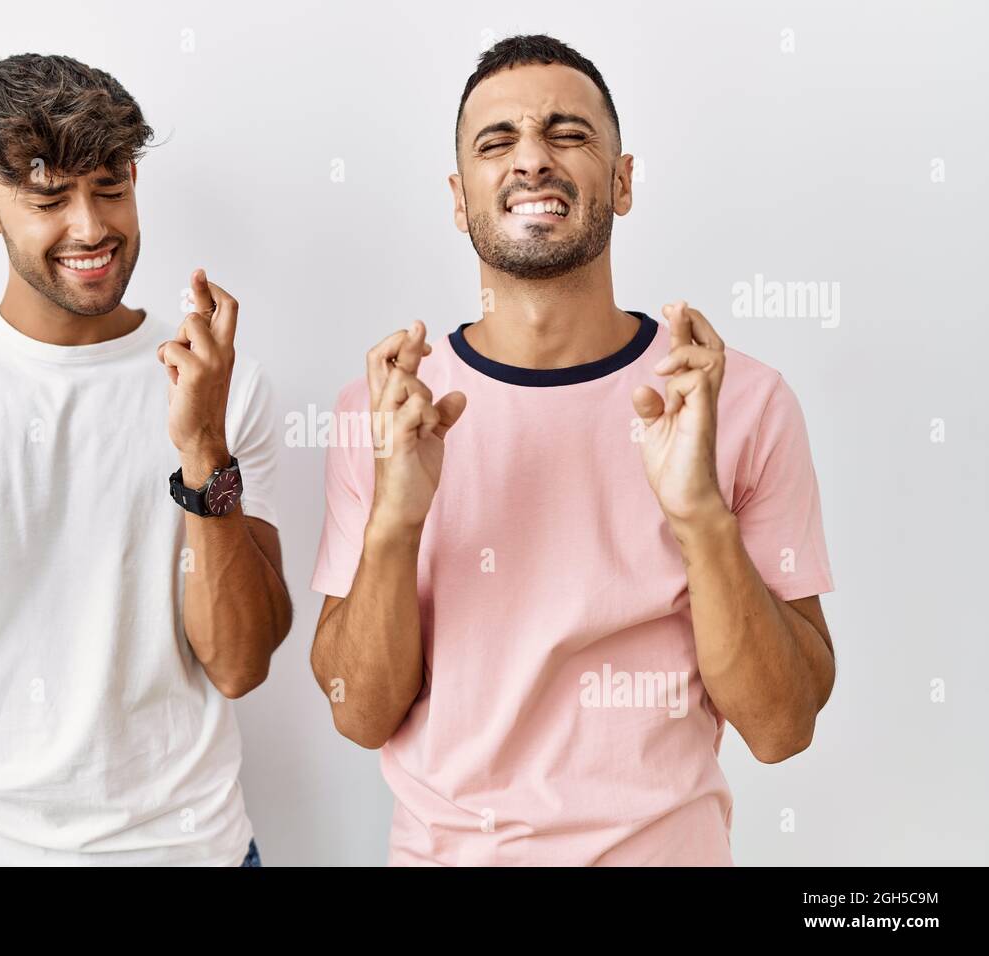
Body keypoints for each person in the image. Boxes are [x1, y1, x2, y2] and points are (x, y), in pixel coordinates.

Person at [310, 34, 836, 865]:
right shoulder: (385, 409)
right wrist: (395, 521)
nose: (532, 161)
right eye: (497, 142)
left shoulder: (738, 398)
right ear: (459, 198)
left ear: (622, 182)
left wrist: (701, 518)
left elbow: (782, 727)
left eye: (568, 134)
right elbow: (359, 713)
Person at [0, 54, 289, 866]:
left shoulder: (219, 381)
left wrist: (202, 453)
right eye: (49, 198)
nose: (90, 228)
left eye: (111, 188)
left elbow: (240, 663)